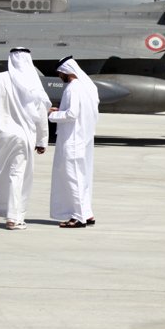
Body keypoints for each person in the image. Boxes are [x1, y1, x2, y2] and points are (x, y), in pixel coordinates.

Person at [0, 48, 50, 230]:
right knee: (17, 175)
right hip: (24, 137)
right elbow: (41, 113)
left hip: (1, 134)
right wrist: (42, 140)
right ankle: (13, 218)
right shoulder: (33, 81)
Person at [49, 56, 100, 228]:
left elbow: (72, 114)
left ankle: (78, 217)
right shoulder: (87, 87)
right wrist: (60, 110)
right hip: (82, 139)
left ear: (65, 71)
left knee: (73, 178)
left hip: (72, 140)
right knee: (81, 178)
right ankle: (87, 213)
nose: (59, 77)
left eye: (60, 73)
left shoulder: (73, 88)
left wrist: (52, 115)